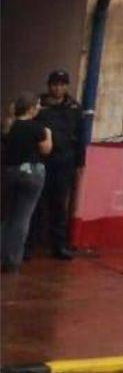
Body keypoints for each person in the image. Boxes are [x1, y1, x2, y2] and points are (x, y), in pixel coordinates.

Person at [32, 70, 85, 260]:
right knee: (36, 203)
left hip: (64, 163)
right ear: (49, 85)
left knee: (59, 205)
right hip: (41, 160)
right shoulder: (38, 105)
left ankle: (59, 245)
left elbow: (80, 137)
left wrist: (80, 163)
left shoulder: (74, 107)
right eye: (55, 84)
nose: (58, 88)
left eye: (62, 84)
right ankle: (30, 245)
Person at [3, 94, 52, 273]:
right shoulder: (39, 129)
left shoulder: (9, 126)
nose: (39, 108)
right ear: (31, 108)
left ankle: (3, 254)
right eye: (37, 105)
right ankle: (12, 261)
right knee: (22, 217)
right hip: (32, 172)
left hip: (11, 172)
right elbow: (46, 150)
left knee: (8, 216)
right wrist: (49, 134)